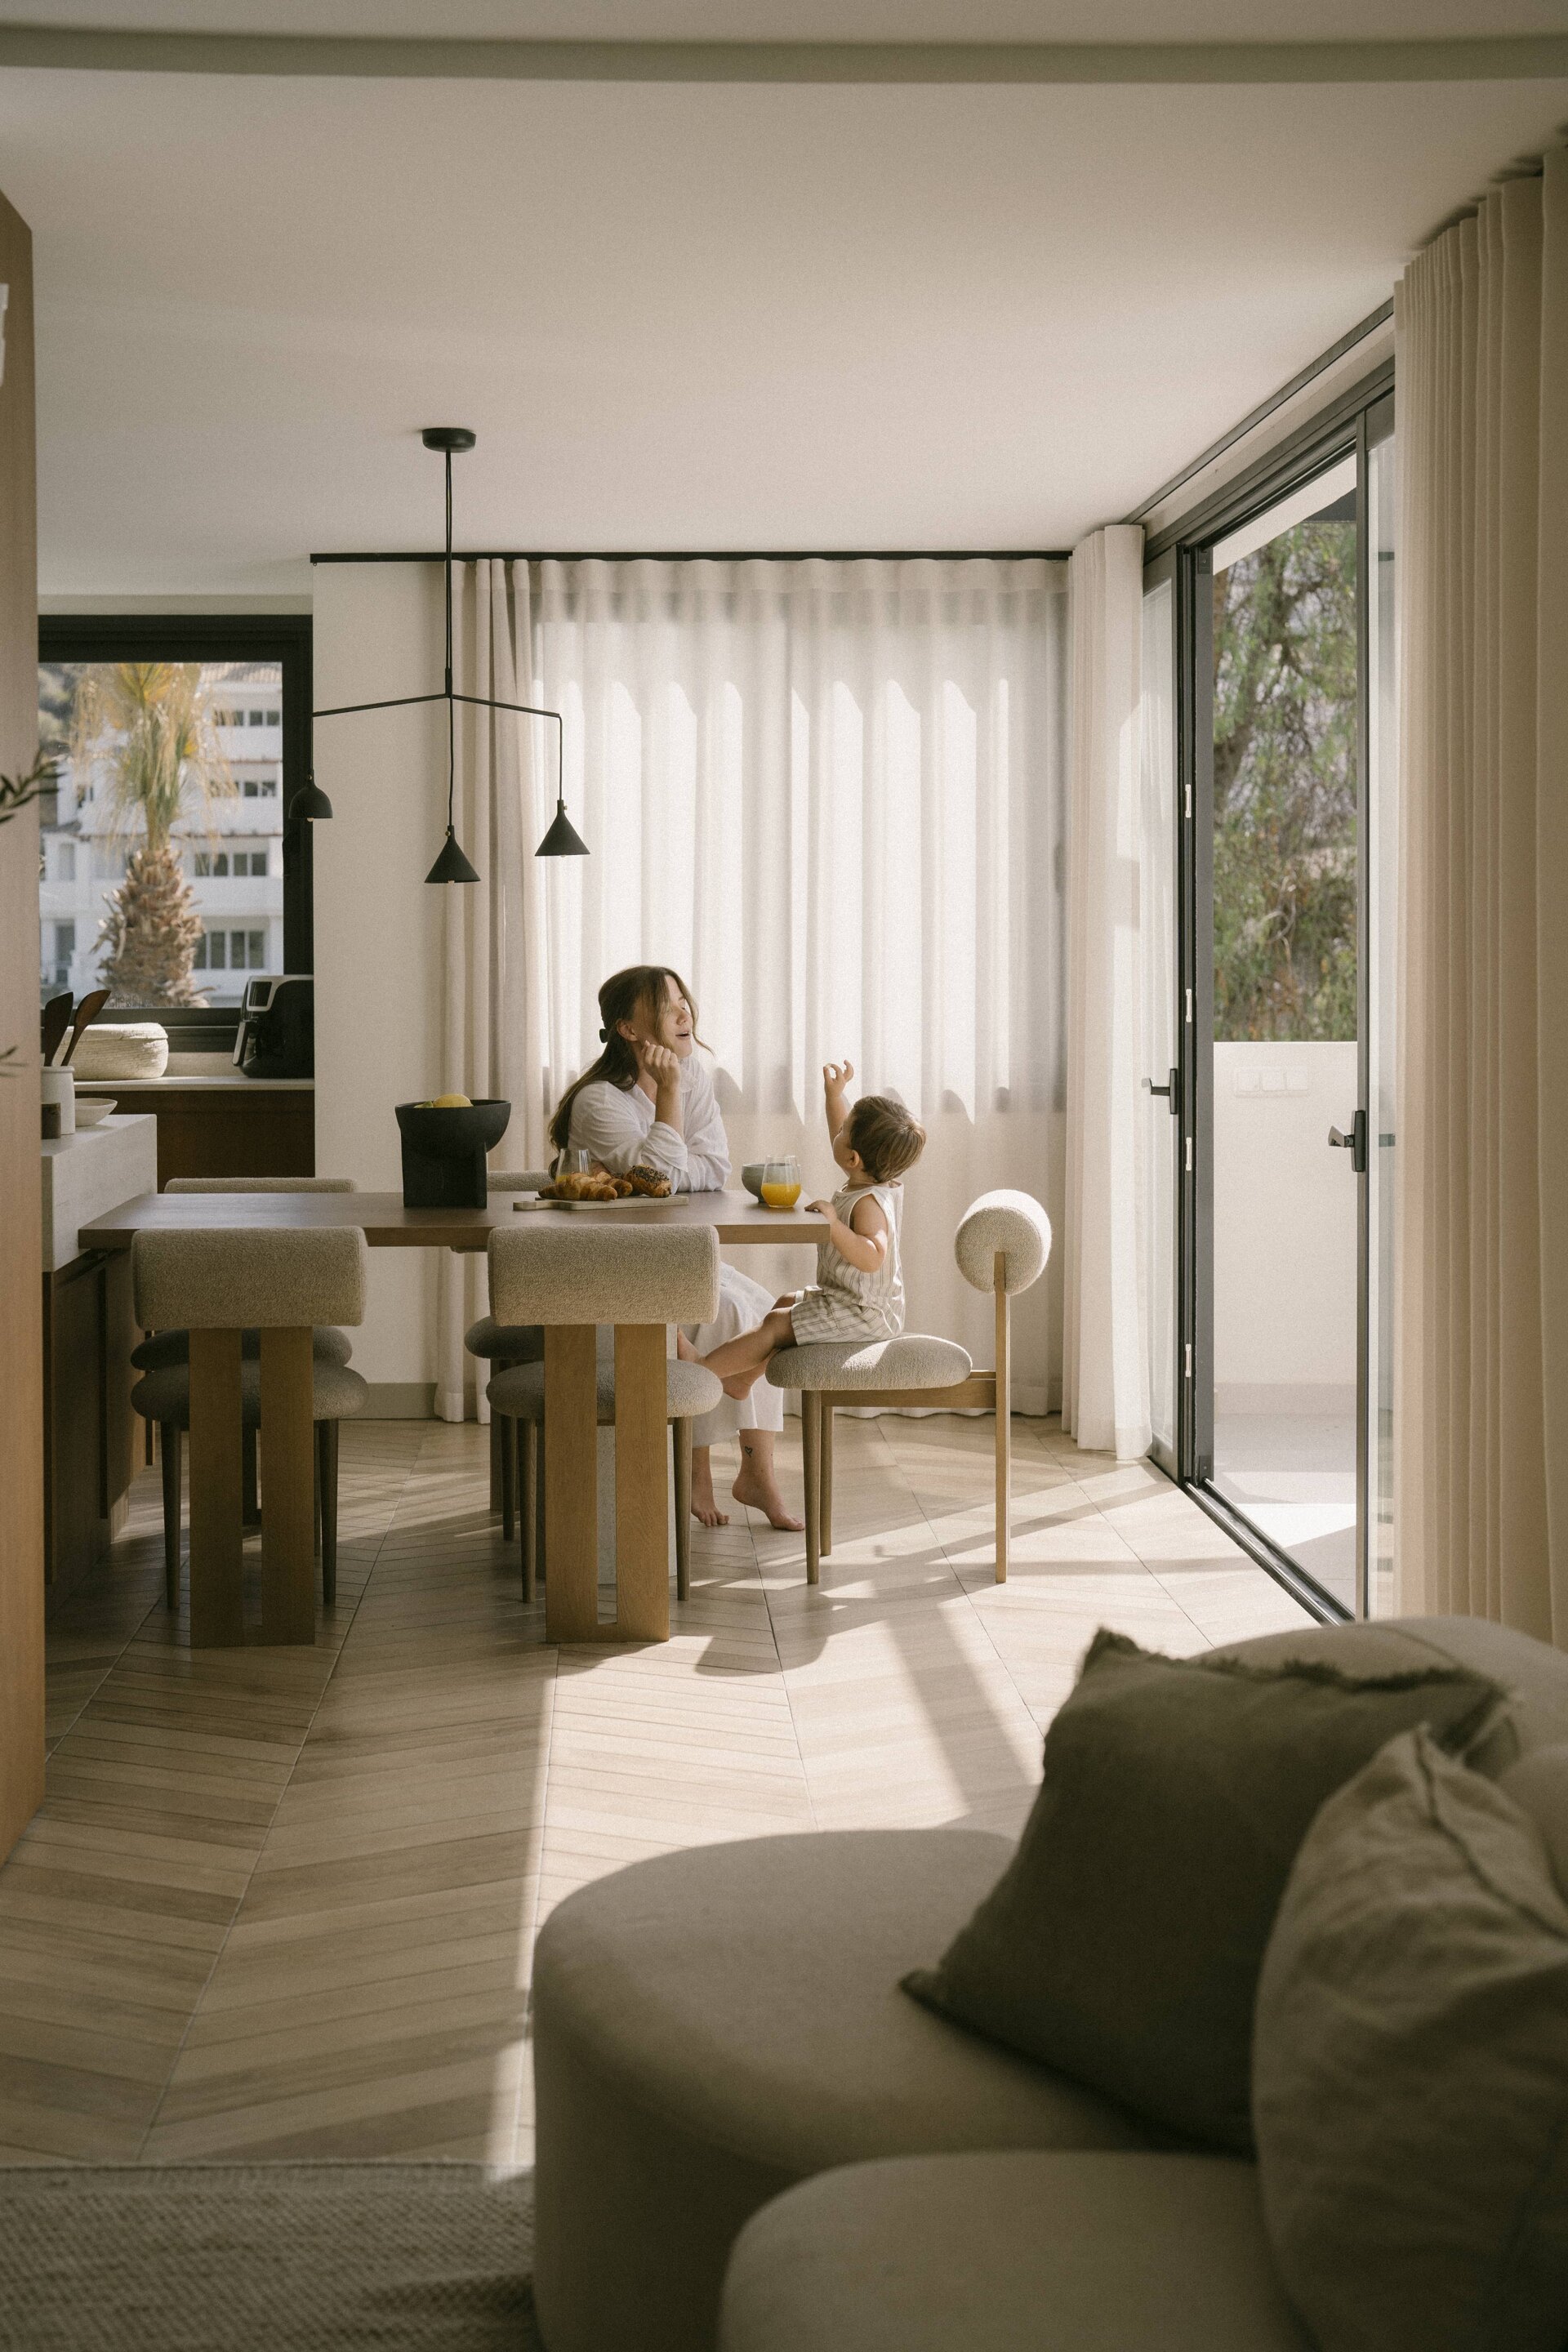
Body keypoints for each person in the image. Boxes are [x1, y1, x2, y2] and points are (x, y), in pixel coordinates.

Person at [549, 964, 804, 1532]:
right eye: (668, 1006)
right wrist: (665, 1099)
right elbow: (657, 1176)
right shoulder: (598, 1101)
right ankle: (706, 1458)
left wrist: (663, 1158)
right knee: (732, 1313)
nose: (685, 1012)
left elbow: (711, 1171)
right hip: (612, 1267)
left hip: (677, 1251)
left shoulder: (693, 1080)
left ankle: (755, 1470)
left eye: (684, 999)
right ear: (629, 1029)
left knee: (765, 1307)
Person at [693, 1061, 925, 1393]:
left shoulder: (870, 1204)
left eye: (845, 1130)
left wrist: (833, 1225)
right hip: (847, 1298)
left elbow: (873, 1256)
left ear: (853, 1159)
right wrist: (834, 1096)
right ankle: (743, 1378)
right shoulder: (863, 1174)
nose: (838, 1131)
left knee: (775, 1324)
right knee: (784, 1302)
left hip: (866, 1314)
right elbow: (840, 1137)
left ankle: (702, 1370)